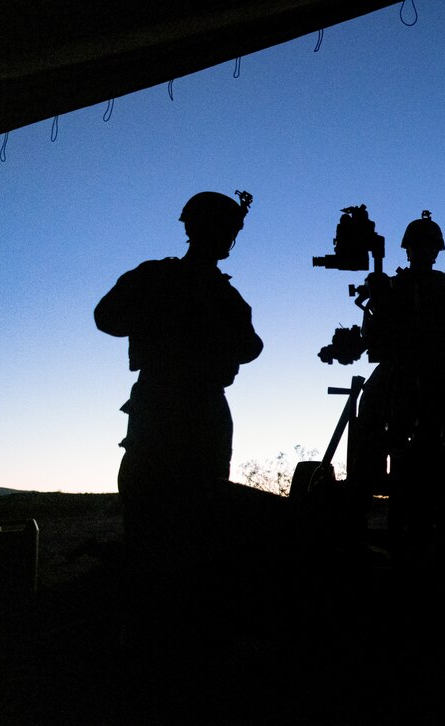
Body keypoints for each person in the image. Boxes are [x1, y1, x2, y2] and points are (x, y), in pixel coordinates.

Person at [94, 190, 265, 689]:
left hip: (175, 408)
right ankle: (161, 641)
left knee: (175, 520)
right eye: (227, 229)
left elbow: (248, 345)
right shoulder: (176, 281)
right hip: (186, 408)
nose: (230, 239)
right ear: (206, 229)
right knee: (168, 518)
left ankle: (162, 639)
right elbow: (110, 318)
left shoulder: (178, 282)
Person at [349, 210, 445, 568]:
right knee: (370, 432)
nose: (421, 252)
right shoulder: (397, 287)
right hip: (399, 373)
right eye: (418, 246)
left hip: (429, 377)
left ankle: (415, 531)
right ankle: (361, 521)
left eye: (426, 246)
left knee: (422, 455)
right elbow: (372, 336)